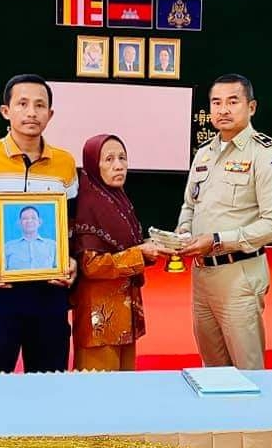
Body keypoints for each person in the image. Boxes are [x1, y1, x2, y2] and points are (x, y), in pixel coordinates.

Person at [0, 74, 78, 373]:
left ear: (50, 114)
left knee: (49, 387)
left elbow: (71, 225)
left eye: (40, 105)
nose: (31, 112)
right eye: (22, 104)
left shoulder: (65, 163)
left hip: (50, 298)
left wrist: (70, 259)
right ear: (6, 111)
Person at [175, 74, 272, 369]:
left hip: (239, 275)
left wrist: (217, 240)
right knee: (212, 369)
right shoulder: (204, 153)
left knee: (247, 370)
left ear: (251, 107)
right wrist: (183, 232)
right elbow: (190, 205)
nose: (223, 109)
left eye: (232, 101)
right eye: (216, 102)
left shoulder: (266, 154)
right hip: (202, 276)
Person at [71, 134, 170, 371]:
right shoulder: (89, 205)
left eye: (122, 158)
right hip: (99, 319)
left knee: (125, 387)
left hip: (124, 315)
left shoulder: (117, 200)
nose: (119, 165)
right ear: (93, 164)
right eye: (109, 159)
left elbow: (124, 248)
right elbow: (90, 265)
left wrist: (151, 247)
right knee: (100, 390)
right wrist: (140, 254)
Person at [4, 206, 57, 271]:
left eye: (33, 218)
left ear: (39, 222)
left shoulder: (52, 245)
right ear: (19, 223)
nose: (29, 221)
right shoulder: (8, 247)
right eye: (25, 218)